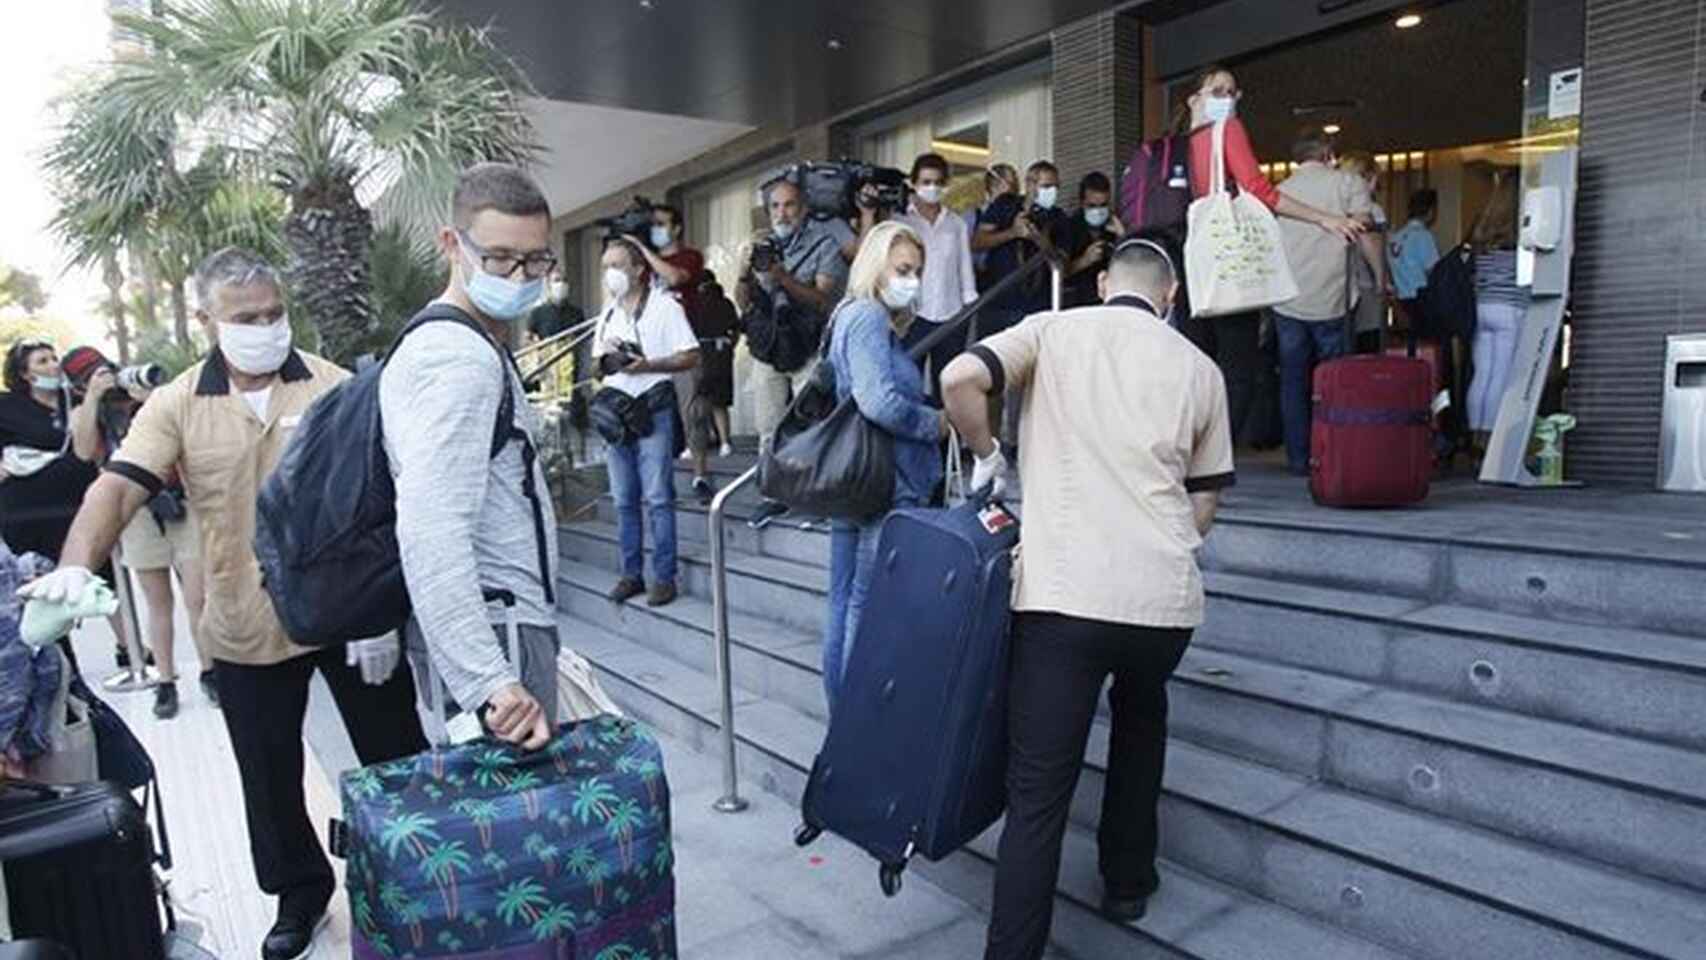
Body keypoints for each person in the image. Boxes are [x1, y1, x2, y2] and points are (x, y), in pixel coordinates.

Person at [19, 246, 429, 960]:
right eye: (247, 318)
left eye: (275, 313)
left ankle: (418, 879)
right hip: (245, 619)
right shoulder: (177, 403)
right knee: (267, 778)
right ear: (207, 319)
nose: (266, 328)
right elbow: (117, 486)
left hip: (349, 611)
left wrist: (389, 613)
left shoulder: (335, 386)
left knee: (395, 756)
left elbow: (391, 494)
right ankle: (300, 894)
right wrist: (76, 566)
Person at [940, 238, 1234, 960]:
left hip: (1063, 598)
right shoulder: (1201, 369)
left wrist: (988, 455)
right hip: (1161, 604)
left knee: (1039, 792)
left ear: (1102, 283)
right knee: (1141, 724)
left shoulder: (1051, 330)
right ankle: (1127, 880)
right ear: (1170, 297)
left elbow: (959, 377)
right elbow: (1204, 504)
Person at [1179, 66, 1364, 444]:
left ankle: (1188, 450)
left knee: (1198, 366)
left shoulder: (1179, 144)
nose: (1227, 99)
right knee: (1238, 370)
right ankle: (1212, 457)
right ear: (1195, 99)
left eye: (1232, 92)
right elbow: (1259, 190)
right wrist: (1324, 218)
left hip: (1192, 264)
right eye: (1218, 91)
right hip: (1230, 261)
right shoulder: (1228, 130)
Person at [820, 221, 946, 708]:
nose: (911, 281)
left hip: (854, 475)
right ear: (875, 266)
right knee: (866, 604)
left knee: (844, 599)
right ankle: (857, 716)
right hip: (884, 478)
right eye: (903, 270)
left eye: (916, 271)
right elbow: (878, 402)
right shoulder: (869, 318)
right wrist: (934, 424)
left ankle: (842, 714)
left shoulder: (847, 315)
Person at [60, 347, 210, 719]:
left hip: (180, 501)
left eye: (104, 369)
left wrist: (147, 398)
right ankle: (166, 681)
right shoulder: (85, 412)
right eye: (91, 375)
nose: (105, 377)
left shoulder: (142, 398)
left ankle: (211, 671)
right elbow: (84, 452)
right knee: (158, 601)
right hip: (137, 511)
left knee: (198, 596)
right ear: (79, 385)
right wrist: (94, 399)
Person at [0, 340, 131, 674]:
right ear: (25, 373)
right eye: (42, 361)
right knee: (45, 589)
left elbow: (86, 450)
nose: (53, 365)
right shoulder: (8, 406)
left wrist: (91, 399)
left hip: (77, 507)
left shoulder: (73, 400)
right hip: (27, 514)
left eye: (54, 358)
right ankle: (62, 667)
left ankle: (130, 649)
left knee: (103, 577)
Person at [1270, 130, 1387, 475]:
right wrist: (1381, 279)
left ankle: (1298, 457)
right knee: (1335, 380)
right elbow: (1366, 235)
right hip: (1334, 296)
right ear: (1327, 153)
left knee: (1293, 380)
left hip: (1287, 299)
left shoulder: (1280, 190)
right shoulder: (1348, 183)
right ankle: (1333, 450)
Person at [593, 237, 701, 606]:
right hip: (616, 412)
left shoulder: (665, 307)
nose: (610, 274)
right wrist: (609, 360)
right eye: (606, 267)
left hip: (653, 406)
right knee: (624, 498)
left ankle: (664, 577)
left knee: (658, 496)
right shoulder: (608, 313)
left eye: (617, 266)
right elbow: (596, 366)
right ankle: (631, 574)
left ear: (639, 270)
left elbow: (690, 356)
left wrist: (649, 364)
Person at [747, 176, 849, 526]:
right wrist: (748, 271)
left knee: (811, 423)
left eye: (789, 205)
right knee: (769, 425)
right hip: (769, 347)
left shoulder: (823, 244)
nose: (782, 213)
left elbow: (822, 299)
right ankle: (773, 495)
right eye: (775, 206)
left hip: (807, 344)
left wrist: (783, 278)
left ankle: (816, 497)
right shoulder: (763, 246)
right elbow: (743, 300)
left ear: (803, 209)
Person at [897, 152, 979, 399]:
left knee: (947, 385)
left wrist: (969, 305)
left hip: (951, 314)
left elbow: (965, 268)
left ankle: (946, 425)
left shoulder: (956, 224)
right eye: (926, 182)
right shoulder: (901, 221)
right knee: (908, 382)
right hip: (912, 315)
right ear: (913, 183)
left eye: (937, 182)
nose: (932, 188)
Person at [1466, 177, 1529, 454]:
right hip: (1510, 308)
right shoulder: (1521, 230)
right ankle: (1492, 440)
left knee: (1482, 374)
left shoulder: (1483, 228)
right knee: (1501, 376)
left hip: (1483, 307)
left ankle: (1475, 437)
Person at [1337, 151, 1395, 353]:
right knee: (1370, 349)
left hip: (1337, 288)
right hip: (1367, 286)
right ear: (1370, 179)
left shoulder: (1333, 209)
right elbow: (1373, 243)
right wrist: (1383, 279)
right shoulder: (1372, 210)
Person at [689, 272, 739, 500]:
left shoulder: (695, 304)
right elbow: (736, 329)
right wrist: (729, 345)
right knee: (720, 401)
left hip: (701, 353)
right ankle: (725, 442)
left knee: (699, 400)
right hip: (722, 352)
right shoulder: (725, 302)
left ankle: (698, 444)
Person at [1063, 171, 1126, 308]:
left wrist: (1122, 236)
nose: (1098, 211)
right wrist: (1085, 260)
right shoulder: (1068, 227)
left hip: (1110, 302)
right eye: (1092, 206)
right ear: (1082, 203)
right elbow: (1058, 273)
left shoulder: (1114, 226)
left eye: (1103, 205)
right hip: (1078, 303)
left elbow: (1132, 264)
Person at [1389, 188, 1443, 332]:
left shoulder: (1395, 237)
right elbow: (1434, 272)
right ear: (1431, 211)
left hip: (1400, 301)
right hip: (1420, 300)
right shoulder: (1423, 236)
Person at [527, 266, 587, 342]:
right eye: (557, 280)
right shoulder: (537, 313)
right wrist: (536, 342)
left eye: (565, 280)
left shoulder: (577, 313)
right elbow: (528, 339)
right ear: (549, 285)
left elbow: (584, 338)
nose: (561, 284)